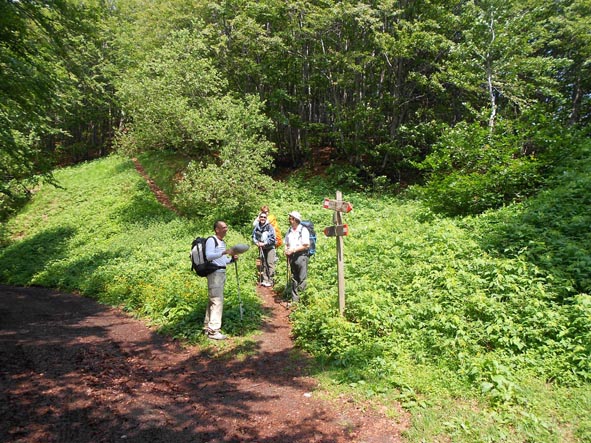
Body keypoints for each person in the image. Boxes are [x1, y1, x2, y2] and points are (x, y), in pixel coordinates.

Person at [203, 220, 237, 340]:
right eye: (223, 227)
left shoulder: (221, 242)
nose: (226, 229)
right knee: (217, 301)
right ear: (217, 229)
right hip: (215, 274)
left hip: (220, 272)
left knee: (213, 300)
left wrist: (231, 260)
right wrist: (223, 252)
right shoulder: (211, 240)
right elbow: (209, 256)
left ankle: (208, 327)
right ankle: (214, 331)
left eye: (226, 227)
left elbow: (222, 260)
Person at [284, 211, 310, 304]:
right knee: (294, 278)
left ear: (295, 219)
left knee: (301, 278)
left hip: (301, 256)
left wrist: (293, 250)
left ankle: (302, 301)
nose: (289, 219)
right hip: (292, 257)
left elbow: (306, 245)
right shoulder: (289, 230)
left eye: (290, 218)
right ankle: (295, 300)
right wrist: (286, 250)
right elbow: (286, 243)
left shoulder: (303, 230)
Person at [252, 212, 277, 287]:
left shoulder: (270, 227)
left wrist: (264, 243)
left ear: (266, 218)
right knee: (263, 263)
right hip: (261, 248)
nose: (262, 218)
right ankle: (265, 280)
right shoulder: (257, 227)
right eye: (261, 217)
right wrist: (256, 243)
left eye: (264, 217)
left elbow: (273, 238)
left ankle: (271, 280)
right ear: (259, 218)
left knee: (270, 263)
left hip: (270, 248)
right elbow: (253, 236)